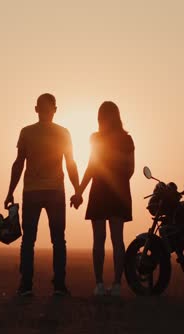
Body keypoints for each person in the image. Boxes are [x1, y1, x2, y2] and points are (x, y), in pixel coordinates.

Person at [4, 93, 80, 296]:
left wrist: (10, 191)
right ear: (54, 109)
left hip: (32, 192)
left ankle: (26, 285)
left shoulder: (27, 132)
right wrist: (77, 190)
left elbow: (19, 163)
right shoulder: (63, 133)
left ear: (36, 109)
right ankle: (59, 286)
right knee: (58, 239)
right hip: (55, 191)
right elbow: (70, 163)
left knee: (29, 240)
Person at [71, 101, 135, 296]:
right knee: (117, 240)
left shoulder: (96, 138)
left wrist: (80, 192)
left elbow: (91, 167)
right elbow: (130, 169)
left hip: (99, 191)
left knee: (99, 240)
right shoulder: (126, 139)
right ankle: (116, 285)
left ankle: (99, 284)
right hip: (118, 192)